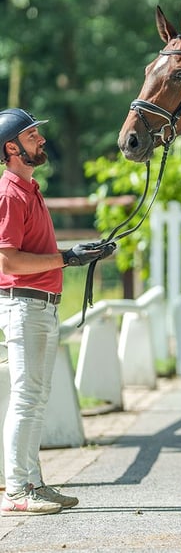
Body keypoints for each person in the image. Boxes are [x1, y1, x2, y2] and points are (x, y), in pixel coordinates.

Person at [0, 108, 114, 515]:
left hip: (40, 304)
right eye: (32, 136)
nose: (41, 140)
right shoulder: (11, 193)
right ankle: (17, 490)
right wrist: (67, 258)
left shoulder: (29, 189)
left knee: (37, 397)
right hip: (24, 304)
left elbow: (38, 253)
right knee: (28, 398)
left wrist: (81, 254)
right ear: (11, 148)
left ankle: (33, 481)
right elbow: (8, 262)